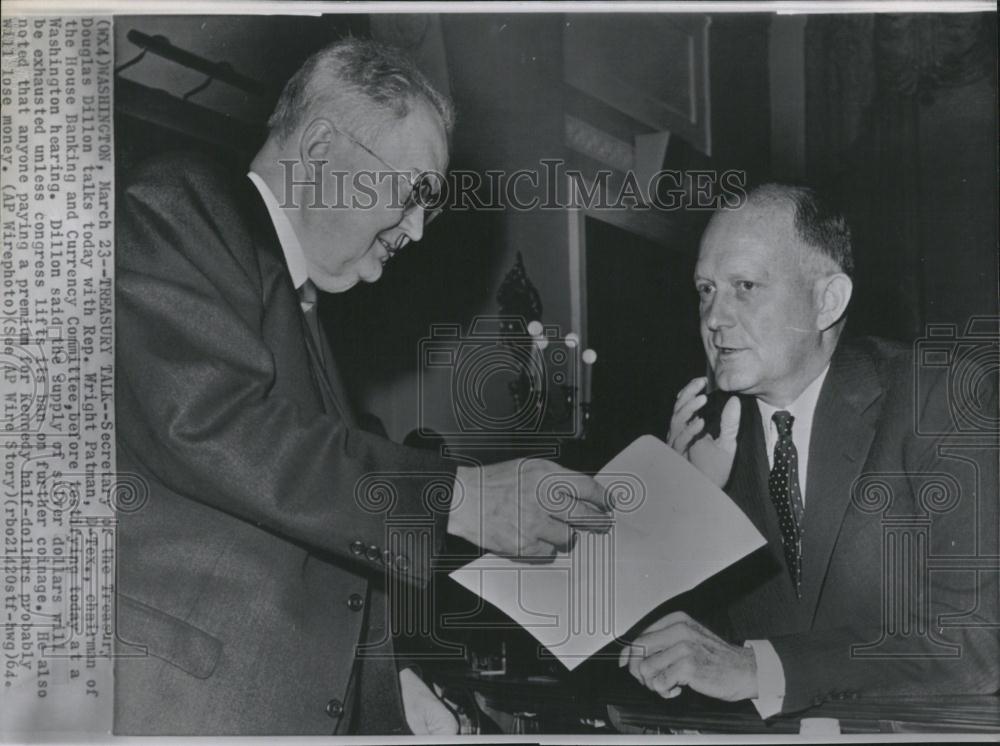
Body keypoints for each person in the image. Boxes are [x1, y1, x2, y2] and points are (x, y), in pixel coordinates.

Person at [114, 38, 611, 736]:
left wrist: (394, 694)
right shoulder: (180, 204)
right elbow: (208, 426)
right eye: (413, 195)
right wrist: (457, 497)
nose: (414, 229)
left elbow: (319, 545)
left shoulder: (300, 306)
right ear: (319, 150)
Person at [619, 184, 998, 716]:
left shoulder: (936, 397)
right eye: (705, 289)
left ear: (827, 301)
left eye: (744, 286)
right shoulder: (703, 435)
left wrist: (762, 668)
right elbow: (646, 651)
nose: (714, 318)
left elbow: (977, 644)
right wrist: (682, 513)